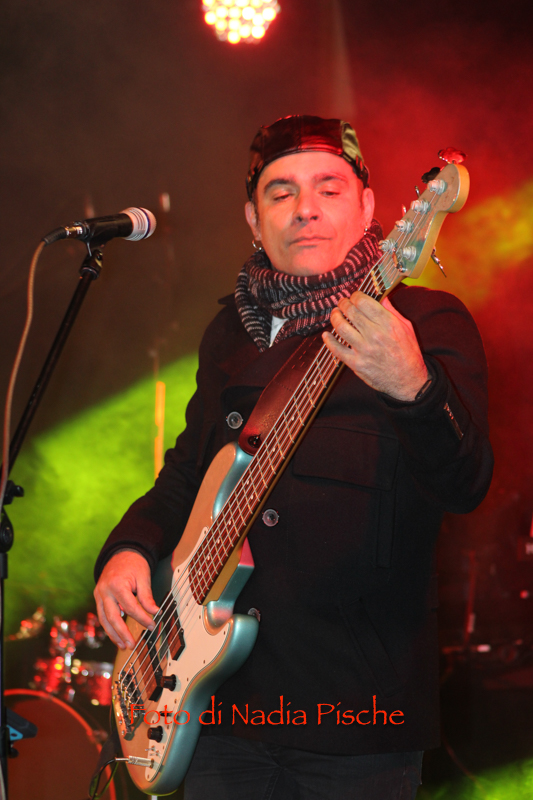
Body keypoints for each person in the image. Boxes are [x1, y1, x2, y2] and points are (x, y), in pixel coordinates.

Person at [94, 115, 493, 799]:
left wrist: (415, 388)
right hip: (221, 714)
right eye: (280, 193)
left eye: (329, 189)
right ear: (254, 220)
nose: (305, 208)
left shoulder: (425, 322)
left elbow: (467, 482)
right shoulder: (229, 334)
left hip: (358, 718)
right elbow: (188, 473)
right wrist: (129, 548)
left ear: (368, 208)